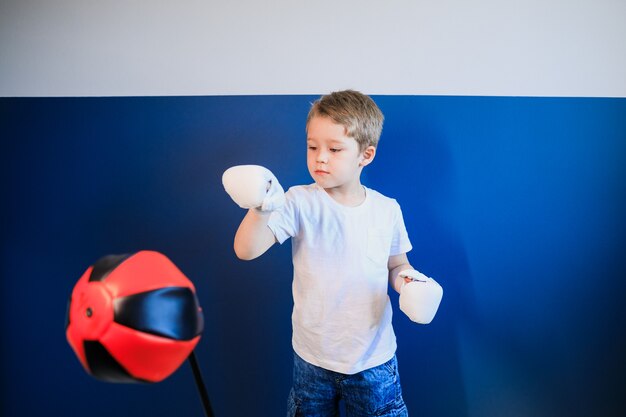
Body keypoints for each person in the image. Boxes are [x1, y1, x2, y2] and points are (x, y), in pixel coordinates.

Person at [222, 90, 442, 416]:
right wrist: (261, 206)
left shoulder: (387, 209)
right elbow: (245, 250)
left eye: (334, 149)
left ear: (365, 155)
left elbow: (397, 264)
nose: (320, 157)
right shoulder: (298, 201)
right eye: (313, 147)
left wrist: (409, 283)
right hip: (313, 359)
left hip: (372, 360)